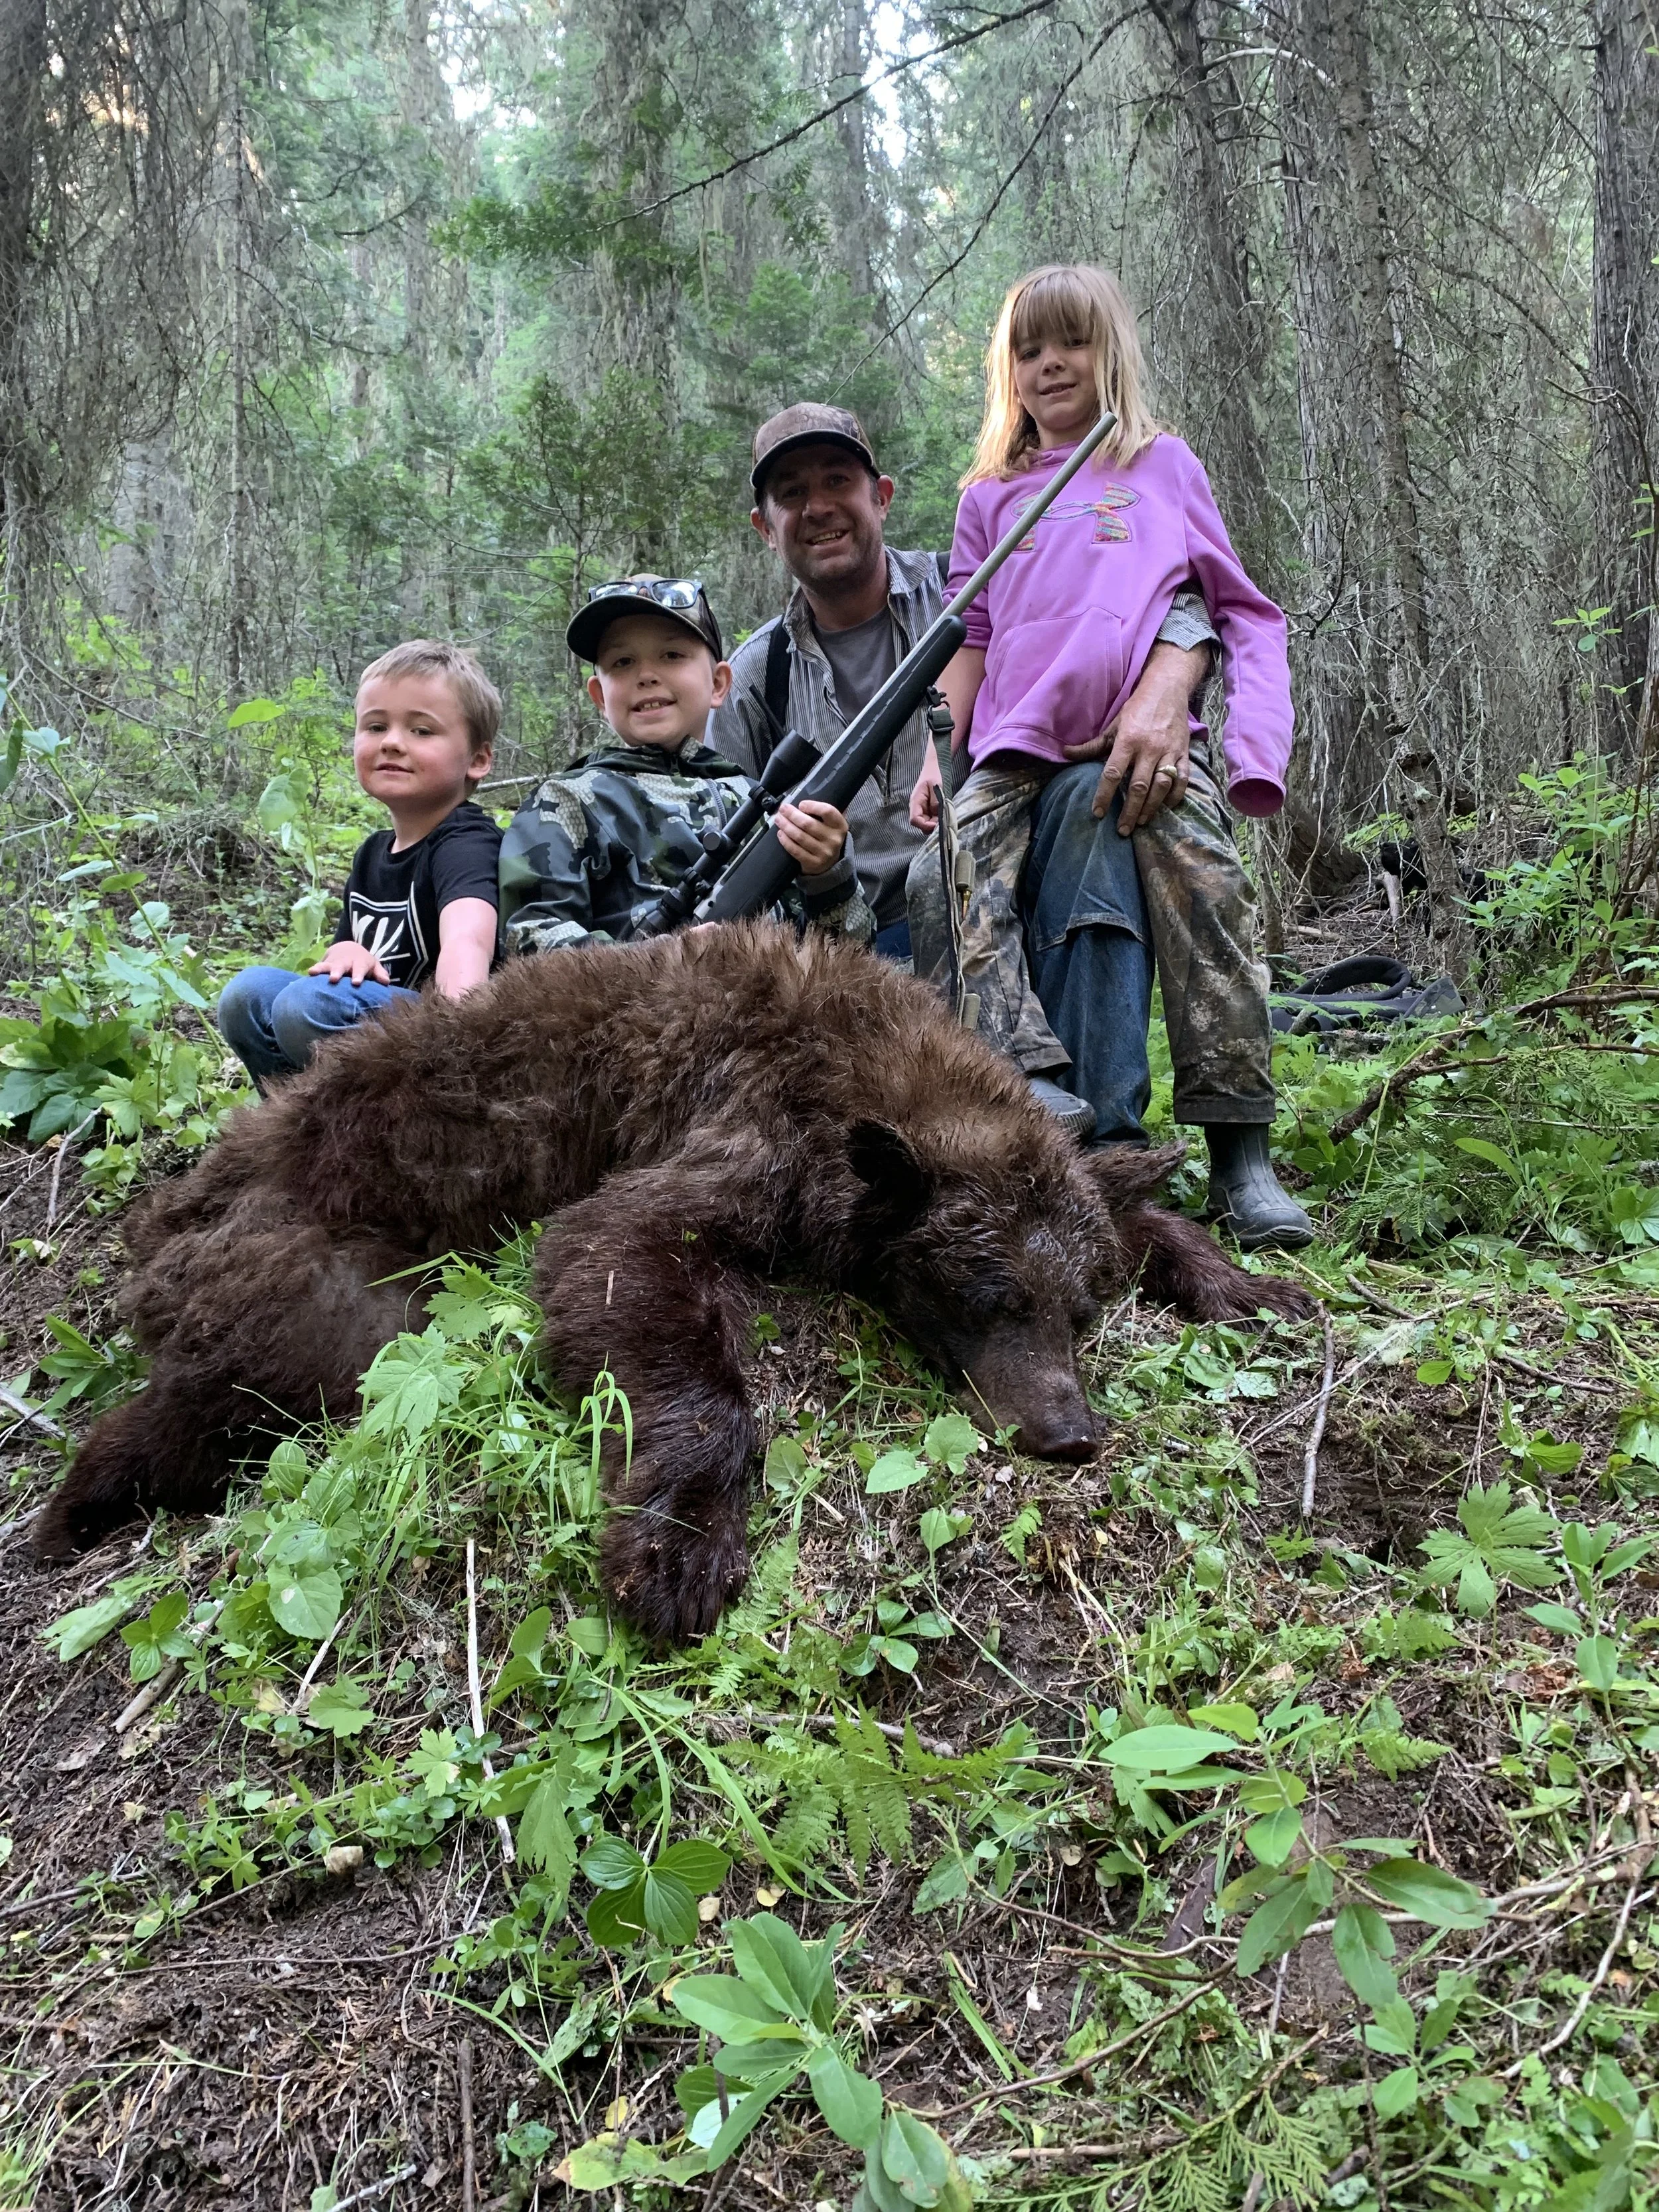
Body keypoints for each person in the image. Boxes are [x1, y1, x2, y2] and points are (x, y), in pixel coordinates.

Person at [906, 264, 1313, 1248]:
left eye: (1071, 343)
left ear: (1111, 352)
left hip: (1147, 750)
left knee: (1207, 885)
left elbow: (1239, 611)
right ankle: (1033, 1078)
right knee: (938, 879)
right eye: (1029, 349)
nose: (1050, 364)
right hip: (1013, 752)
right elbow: (973, 634)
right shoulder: (990, 498)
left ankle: (1239, 1150)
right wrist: (938, 753)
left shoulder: (1160, 465)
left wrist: (1254, 750)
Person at [711, 400, 1216, 1143]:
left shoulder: (977, 589)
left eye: (836, 482)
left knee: (1089, 796)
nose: (818, 508)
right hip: (851, 952)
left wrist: (1172, 674)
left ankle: (1106, 1147)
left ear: (879, 496)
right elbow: (731, 857)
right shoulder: (759, 675)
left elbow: (1156, 590)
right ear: (764, 527)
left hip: (1001, 915)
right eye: (790, 494)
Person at [498, 575, 869, 952]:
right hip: (629, 1009)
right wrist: (653, 960)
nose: (646, 676)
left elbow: (848, 957)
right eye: (622, 662)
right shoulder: (566, 802)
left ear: (719, 684)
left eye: (672, 655)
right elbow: (528, 938)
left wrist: (828, 875)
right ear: (599, 696)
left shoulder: (762, 804)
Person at [218, 639, 503, 1085]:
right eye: (374, 726)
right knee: (247, 996)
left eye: (421, 731)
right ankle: (294, 1135)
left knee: (305, 1008)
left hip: (445, 1044)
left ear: (478, 759)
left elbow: (469, 942)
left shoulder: (467, 842)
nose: (392, 742)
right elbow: (349, 961)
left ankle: (387, 1136)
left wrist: (456, 1049)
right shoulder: (372, 853)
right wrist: (347, 950)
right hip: (381, 1029)